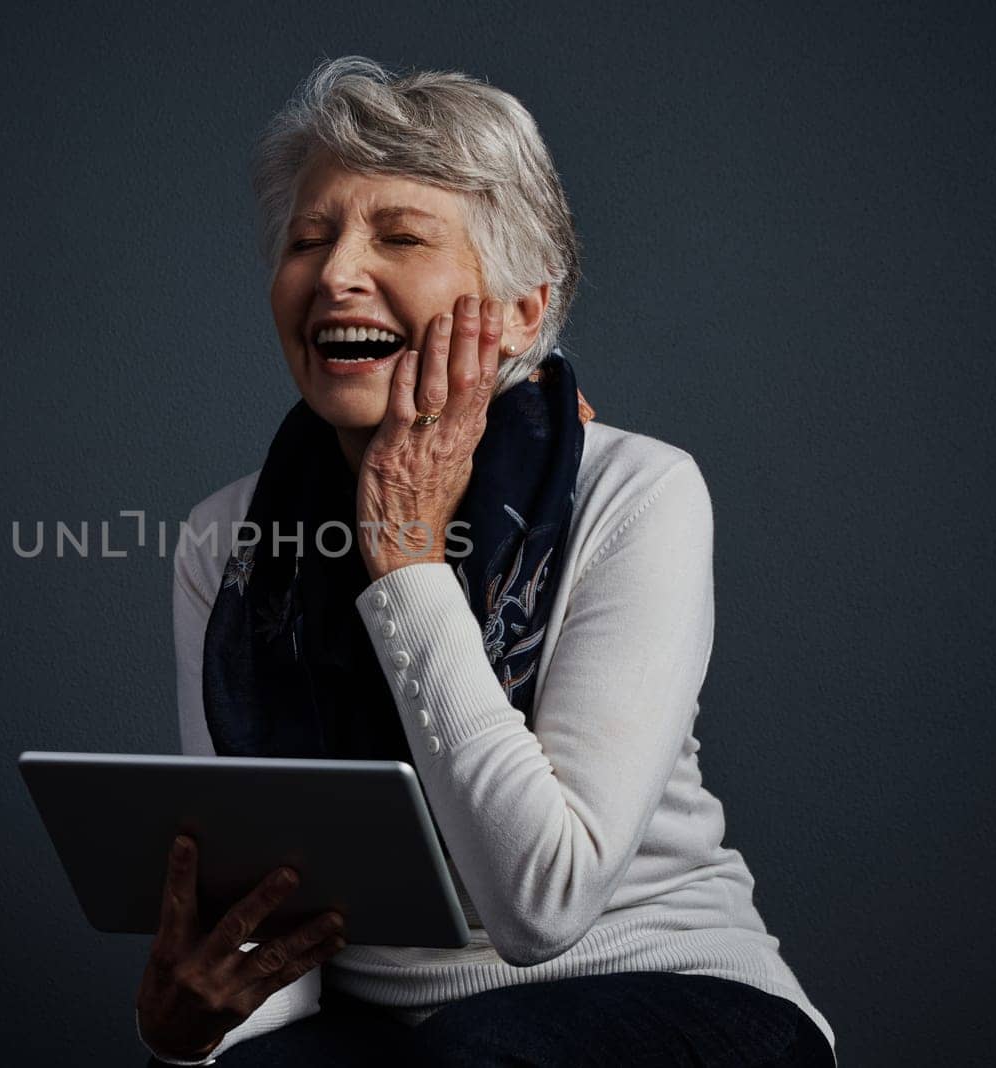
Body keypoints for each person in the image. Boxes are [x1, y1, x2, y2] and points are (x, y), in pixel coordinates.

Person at [134, 56, 836, 1066]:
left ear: (516, 311)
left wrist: (404, 561)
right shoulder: (228, 540)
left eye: (400, 237)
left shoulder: (636, 492)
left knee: (479, 1050)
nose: (334, 273)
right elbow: (266, 911)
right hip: (395, 1033)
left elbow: (541, 902)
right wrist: (193, 1033)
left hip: (667, 993)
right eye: (307, 238)